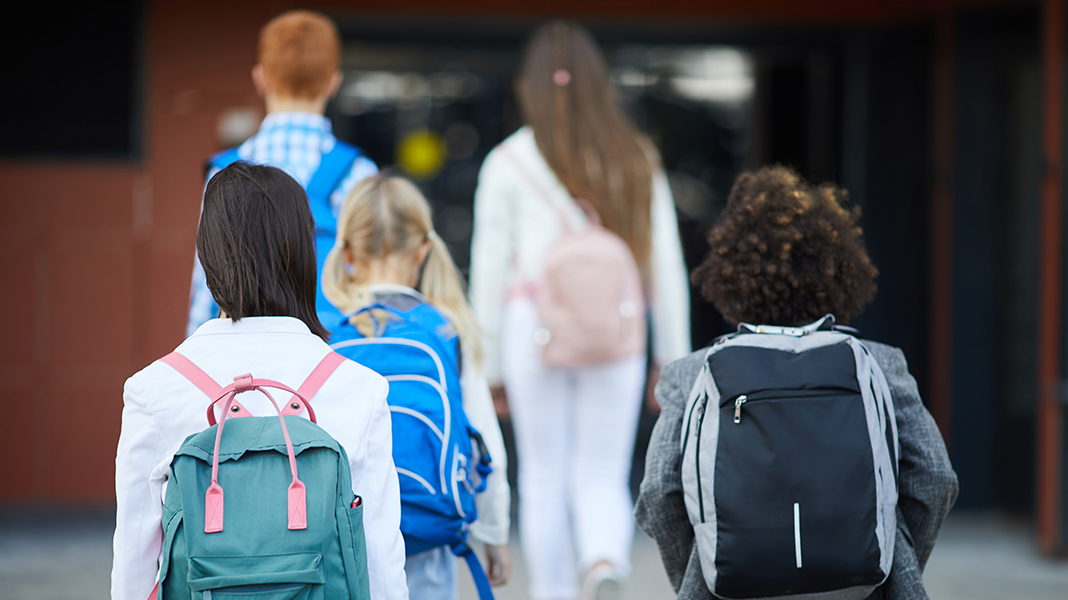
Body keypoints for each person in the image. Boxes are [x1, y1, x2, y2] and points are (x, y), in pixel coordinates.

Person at [634, 166, 959, 600]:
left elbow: (658, 491)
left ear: (730, 273)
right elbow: (936, 478)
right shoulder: (880, 363)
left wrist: (700, 577)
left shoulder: (693, 373)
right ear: (840, 270)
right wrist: (885, 563)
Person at [113, 163, 408, 600]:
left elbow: (135, 564)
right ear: (305, 253)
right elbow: (380, 563)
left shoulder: (154, 390)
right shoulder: (359, 388)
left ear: (208, 254)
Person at [469, 20, 691, 600]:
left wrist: (485, 365)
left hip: (532, 327)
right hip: (617, 327)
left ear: (532, 85)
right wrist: (672, 357)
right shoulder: (635, 156)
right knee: (603, 465)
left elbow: (489, 270)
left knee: (542, 472)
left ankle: (553, 591)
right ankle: (603, 558)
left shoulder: (507, 162)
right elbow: (664, 265)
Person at [322, 176, 512, 599]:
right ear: (423, 251)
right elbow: (485, 442)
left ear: (348, 254)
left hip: (348, 536)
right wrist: (493, 532)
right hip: (428, 529)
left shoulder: (328, 337)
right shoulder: (447, 330)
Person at [187, 9, 378, 336]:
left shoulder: (225, 172)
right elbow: (371, 284)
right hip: (332, 358)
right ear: (333, 82)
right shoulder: (358, 172)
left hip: (247, 368)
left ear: (260, 78)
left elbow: (204, 291)